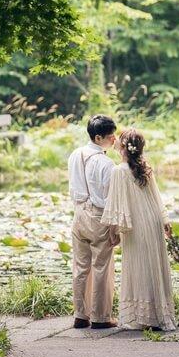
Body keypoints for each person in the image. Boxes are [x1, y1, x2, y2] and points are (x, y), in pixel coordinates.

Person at [101, 128, 176, 331]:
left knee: (139, 266)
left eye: (119, 140)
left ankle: (145, 318)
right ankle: (158, 313)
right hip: (152, 221)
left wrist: (113, 231)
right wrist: (164, 220)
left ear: (124, 146)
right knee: (153, 265)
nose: (115, 140)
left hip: (136, 225)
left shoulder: (119, 171)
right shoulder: (145, 167)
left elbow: (116, 205)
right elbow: (156, 196)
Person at [67, 114, 119, 329]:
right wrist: (116, 226)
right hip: (98, 216)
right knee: (101, 267)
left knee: (80, 267)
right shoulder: (106, 163)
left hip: (78, 214)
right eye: (111, 136)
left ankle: (81, 315)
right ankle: (100, 317)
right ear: (98, 138)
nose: (114, 139)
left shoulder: (75, 155)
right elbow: (110, 198)